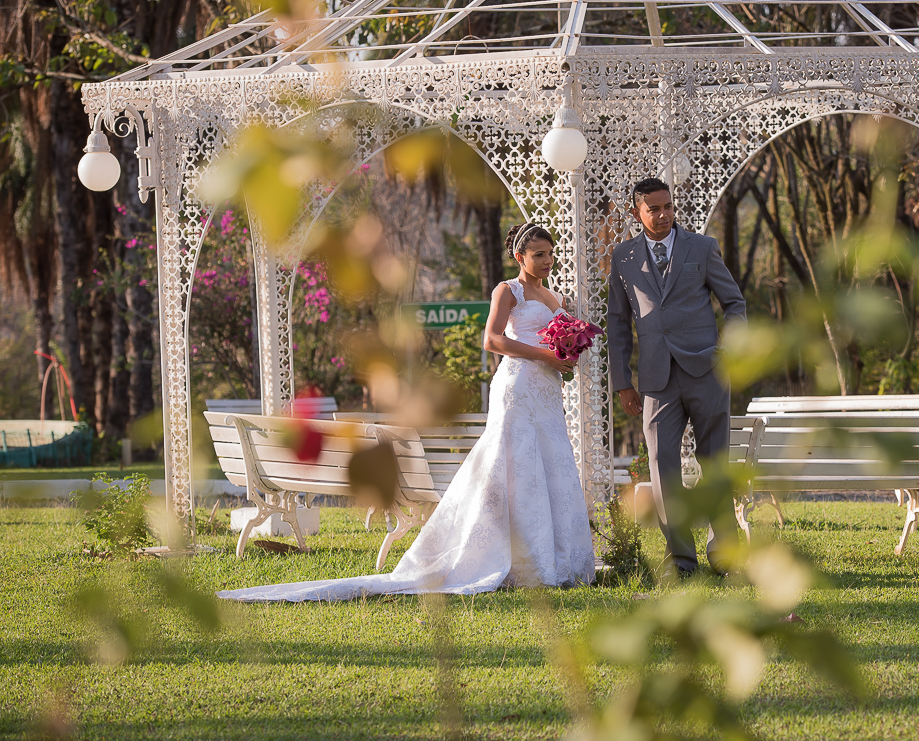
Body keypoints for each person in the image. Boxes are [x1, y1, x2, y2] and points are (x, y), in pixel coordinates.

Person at [217, 223, 595, 602]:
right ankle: (513, 559)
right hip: (517, 386)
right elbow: (492, 340)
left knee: (551, 464)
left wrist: (564, 355)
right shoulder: (507, 291)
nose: (547, 261)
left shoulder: (555, 297)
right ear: (519, 257)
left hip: (546, 391)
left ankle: (556, 559)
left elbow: (558, 341)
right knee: (514, 465)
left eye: (550, 254)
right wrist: (545, 355)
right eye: (538, 255)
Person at [607, 177, 747, 577]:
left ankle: (725, 555)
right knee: (661, 462)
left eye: (668, 206)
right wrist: (622, 383)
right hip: (656, 379)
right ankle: (682, 560)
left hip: (708, 371)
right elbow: (618, 323)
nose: (664, 214)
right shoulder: (624, 257)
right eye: (654, 208)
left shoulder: (701, 247)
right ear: (637, 213)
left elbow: (734, 303)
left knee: (714, 462)